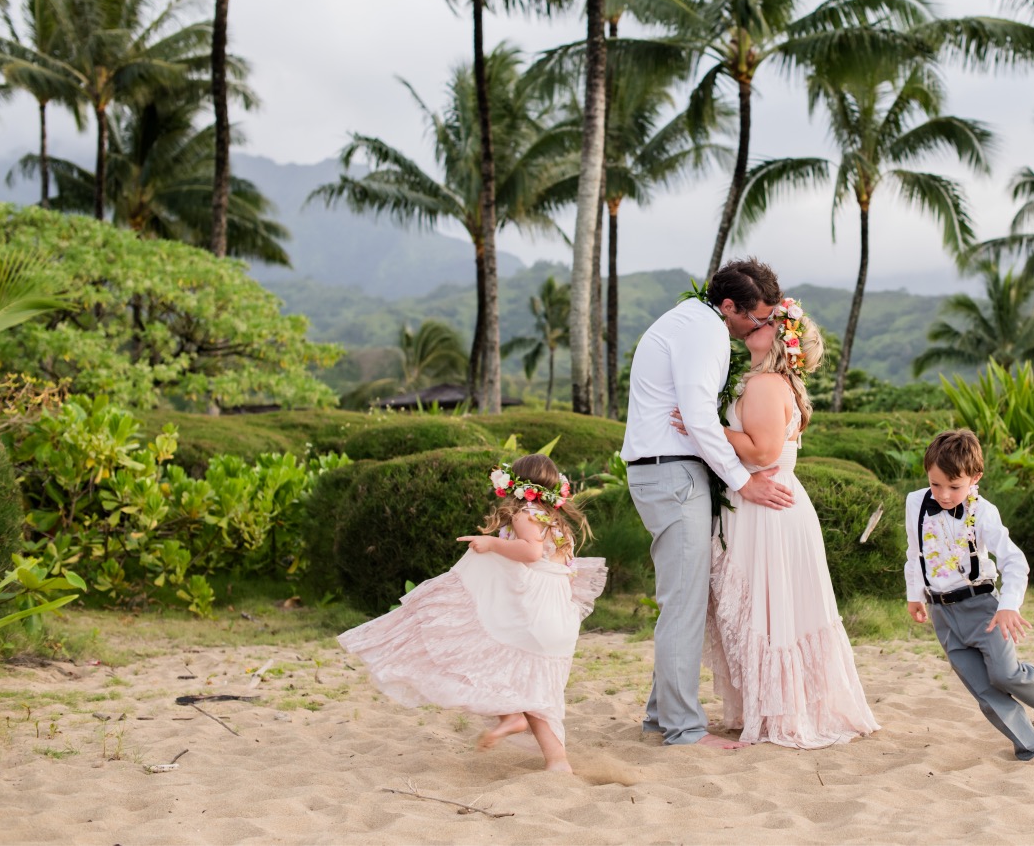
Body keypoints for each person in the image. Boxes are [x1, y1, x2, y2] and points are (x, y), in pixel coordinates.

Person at [681, 297, 879, 748]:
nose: (761, 321)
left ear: (783, 341)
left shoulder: (767, 384)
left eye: (772, 321)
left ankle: (781, 711)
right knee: (765, 609)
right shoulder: (759, 381)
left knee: (768, 610)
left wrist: (702, 425)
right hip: (760, 501)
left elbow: (764, 451)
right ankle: (769, 705)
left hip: (766, 506)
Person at [337, 453, 605, 774]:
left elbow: (531, 552)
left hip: (535, 617)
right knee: (534, 688)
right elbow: (560, 570)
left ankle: (516, 720)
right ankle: (553, 757)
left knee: (493, 660)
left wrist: (491, 545)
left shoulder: (525, 513)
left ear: (516, 484)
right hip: (558, 618)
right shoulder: (557, 522)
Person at [622, 258, 796, 749]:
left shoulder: (692, 322)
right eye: (756, 318)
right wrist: (743, 482)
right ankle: (684, 729)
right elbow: (697, 418)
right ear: (729, 306)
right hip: (672, 473)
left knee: (686, 600)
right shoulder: (705, 332)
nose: (758, 328)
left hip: (668, 471)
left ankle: (661, 716)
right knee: (684, 602)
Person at [904, 429, 1034, 761]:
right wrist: (914, 594)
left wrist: (1008, 606)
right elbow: (915, 553)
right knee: (985, 692)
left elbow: (1014, 561)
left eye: (954, 486)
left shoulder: (984, 512)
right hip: (942, 614)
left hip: (983, 609)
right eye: (935, 484)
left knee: (1005, 674)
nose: (943, 495)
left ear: (975, 478)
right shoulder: (915, 503)